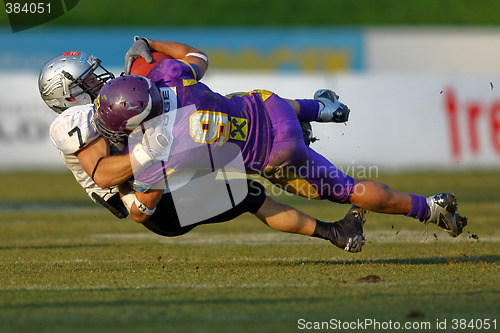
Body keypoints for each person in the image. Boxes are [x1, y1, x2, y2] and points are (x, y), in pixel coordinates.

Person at [94, 37, 467, 244]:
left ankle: (428, 208)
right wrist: (149, 42)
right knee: (247, 100)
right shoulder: (166, 75)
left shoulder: (158, 149)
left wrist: (123, 189)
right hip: (271, 107)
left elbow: (143, 211)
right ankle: (321, 108)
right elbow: (198, 55)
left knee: (347, 190)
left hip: (274, 153)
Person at [38, 41, 366, 253]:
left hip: (163, 179)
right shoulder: (74, 119)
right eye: (90, 80)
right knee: (247, 190)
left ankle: (300, 127)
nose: (101, 78)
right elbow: (105, 175)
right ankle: (334, 230)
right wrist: (150, 151)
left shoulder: (119, 97)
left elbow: (192, 62)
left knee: (233, 122)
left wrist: (148, 48)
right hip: (150, 203)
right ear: (70, 96)